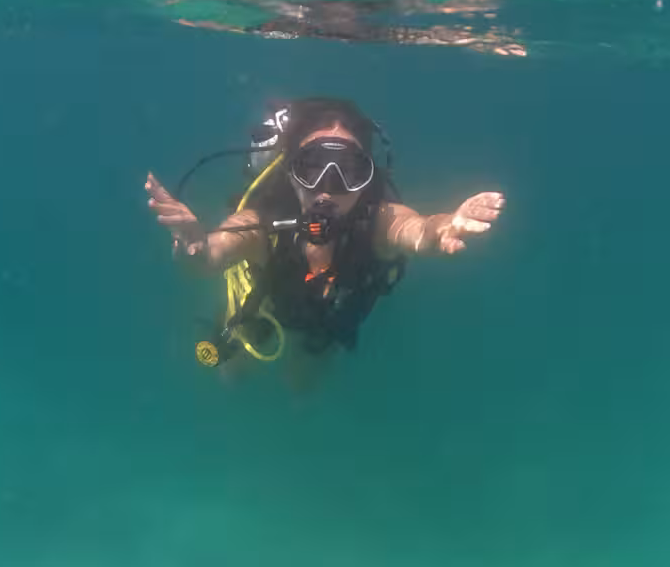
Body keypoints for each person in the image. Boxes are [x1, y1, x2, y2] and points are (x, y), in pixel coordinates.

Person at [144, 96, 505, 370]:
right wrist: (193, 247)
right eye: (311, 167)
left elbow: (417, 228)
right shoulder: (261, 224)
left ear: (367, 178)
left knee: (307, 380)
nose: (327, 188)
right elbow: (212, 254)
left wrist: (445, 228)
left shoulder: (377, 220)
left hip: (332, 323)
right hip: (262, 313)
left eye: (349, 169)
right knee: (232, 374)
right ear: (289, 172)